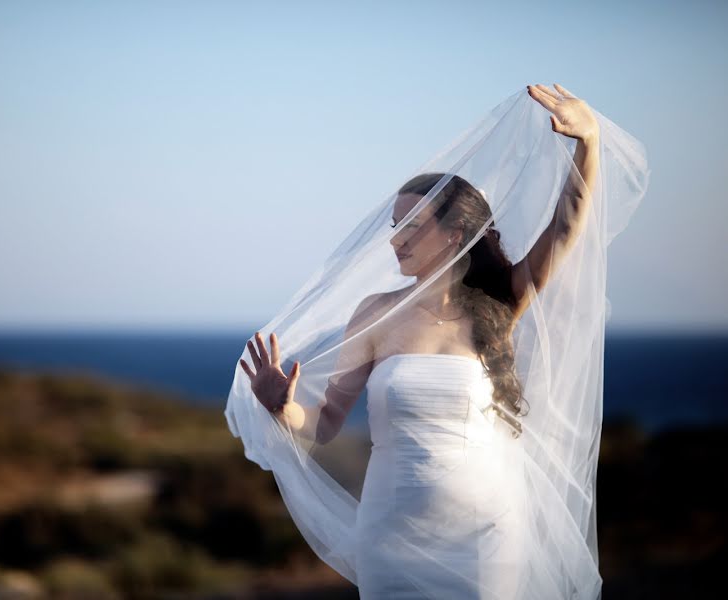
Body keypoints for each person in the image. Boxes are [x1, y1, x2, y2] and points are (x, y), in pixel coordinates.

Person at [226, 83, 649, 599]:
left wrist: (589, 143)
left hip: (485, 537)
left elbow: (565, 226)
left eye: (410, 224)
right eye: (393, 224)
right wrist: (281, 409)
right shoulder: (375, 314)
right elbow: (325, 423)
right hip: (390, 537)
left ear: (455, 232)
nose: (394, 238)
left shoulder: (501, 305)